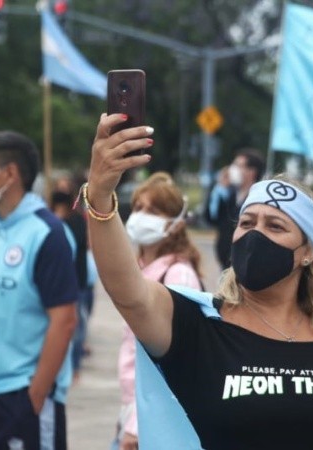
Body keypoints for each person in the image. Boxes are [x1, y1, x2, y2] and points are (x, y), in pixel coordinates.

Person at [86, 113, 313, 450]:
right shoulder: (195, 325)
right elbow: (126, 289)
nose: (255, 235)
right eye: (247, 223)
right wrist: (100, 196)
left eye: (275, 226)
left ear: (307, 253)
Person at [0, 131, 78, 450]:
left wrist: (36, 396)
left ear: (10, 173)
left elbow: (65, 320)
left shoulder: (48, 234)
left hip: (21, 397)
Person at [114, 172, 204, 450]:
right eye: (138, 207)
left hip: (153, 418)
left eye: (152, 210)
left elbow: (178, 363)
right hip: (133, 405)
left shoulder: (178, 275)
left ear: (175, 223)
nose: (141, 216)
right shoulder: (140, 269)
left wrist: (136, 426)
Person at [51, 190, 91, 379]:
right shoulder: (51, 222)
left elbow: (74, 244)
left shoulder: (75, 222)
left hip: (77, 279)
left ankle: (75, 365)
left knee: (77, 325)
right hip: (59, 281)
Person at [205, 149, 266, 269]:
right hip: (224, 263)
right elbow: (211, 218)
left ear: (252, 172)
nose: (232, 169)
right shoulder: (230, 194)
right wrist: (219, 190)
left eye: (238, 165)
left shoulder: (258, 199)